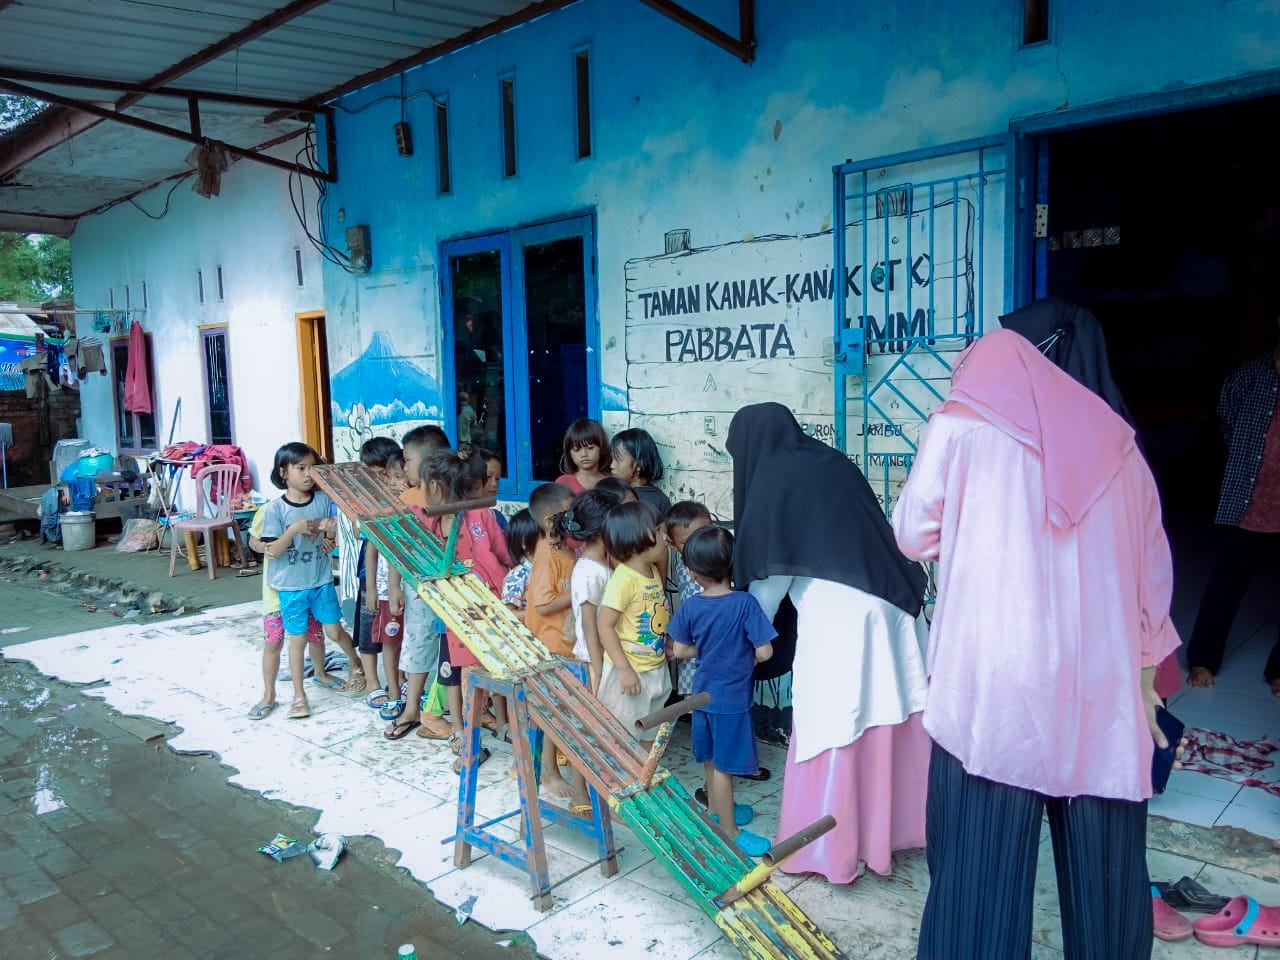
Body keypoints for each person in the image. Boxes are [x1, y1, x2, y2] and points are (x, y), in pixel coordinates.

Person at [891, 330, 1178, 960]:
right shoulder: (1121, 448)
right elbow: (1153, 582)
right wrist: (1145, 684)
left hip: (994, 692)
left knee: (977, 883)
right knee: (1107, 888)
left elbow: (913, 534)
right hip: (1099, 692)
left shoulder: (960, 425)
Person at [727, 402, 930, 884]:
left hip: (839, 616)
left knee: (834, 724)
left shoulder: (772, 481)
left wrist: (744, 639)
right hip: (892, 603)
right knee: (886, 717)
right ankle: (888, 836)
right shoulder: (832, 462)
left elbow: (769, 580)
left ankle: (828, 851)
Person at [669, 524, 776, 857]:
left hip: (702, 696)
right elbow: (766, 652)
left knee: (713, 761)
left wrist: (706, 647)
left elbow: (680, 650)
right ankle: (729, 830)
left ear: (693, 572)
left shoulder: (690, 606)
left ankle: (717, 810)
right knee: (725, 767)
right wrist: (745, 653)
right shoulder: (745, 603)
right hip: (731, 700)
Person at [1187, 319, 1280, 696]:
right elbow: (1226, 418)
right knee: (1224, 586)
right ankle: (1203, 660)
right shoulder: (1248, 378)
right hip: (1249, 502)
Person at [411, 448, 510, 773]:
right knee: (469, 681)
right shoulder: (430, 519)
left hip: (492, 606)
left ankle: (510, 730)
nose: (422, 489)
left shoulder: (480, 513)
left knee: (503, 670)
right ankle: (471, 743)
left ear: (438, 486)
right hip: (457, 613)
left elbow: (503, 553)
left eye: (425, 483)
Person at [258, 442, 363, 720]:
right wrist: (293, 530)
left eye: (312, 468)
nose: (308, 474)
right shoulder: (275, 510)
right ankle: (298, 696)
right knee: (298, 640)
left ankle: (357, 664)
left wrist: (330, 535)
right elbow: (273, 551)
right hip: (291, 588)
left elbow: (333, 535)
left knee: (334, 632)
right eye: (300, 468)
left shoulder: (323, 500)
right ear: (283, 473)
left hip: (321, 581)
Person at [387, 425, 452, 741]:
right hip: (417, 584)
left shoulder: (453, 496)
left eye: (408, 459)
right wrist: (395, 585)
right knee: (418, 641)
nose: (404, 466)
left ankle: (447, 705)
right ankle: (412, 706)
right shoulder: (407, 499)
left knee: (452, 645)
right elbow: (396, 547)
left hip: (452, 583)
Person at [597, 500, 673, 747]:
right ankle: (620, 783)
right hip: (630, 676)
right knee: (622, 739)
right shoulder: (624, 579)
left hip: (654, 668)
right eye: (659, 532)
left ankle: (643, 780)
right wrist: (623, 669)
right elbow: (604, 625)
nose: (666, 537)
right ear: (638, 538)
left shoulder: (650, 571)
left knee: (650, 733)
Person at [244, 502, 327, 721]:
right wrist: (269, 548)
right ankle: (269, 694)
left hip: (306, 584)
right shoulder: (272, 509)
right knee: (273, 641)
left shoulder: (319, 504)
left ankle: (321, 673)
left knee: (315, 633)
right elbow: (253, 540)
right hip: (276, 591)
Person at [524, 481, 578, 799]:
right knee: (552, 712)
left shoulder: (565, 548)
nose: (573, 518)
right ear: (550, 521)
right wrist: (580, 589)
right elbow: (544, 603)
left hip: (567, 644)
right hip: (551, 646)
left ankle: (555, 764)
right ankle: (548, 771)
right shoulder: (547, 553)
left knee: (562, 710)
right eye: (568, 513)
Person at [355, 437, 406, 711]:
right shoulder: (372, 504)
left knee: (395, 631)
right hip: (374, 577)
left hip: (397, 580)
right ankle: (373, 683)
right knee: (369, 630)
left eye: (384, 474)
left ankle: (397, 680)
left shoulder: (406, 500)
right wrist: (372, 587)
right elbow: (362, 537)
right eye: (373, 474)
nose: (382, 479)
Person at [559, 489, 618, 693]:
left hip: (602, 656)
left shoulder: (599, 566)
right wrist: (599, 670)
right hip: (594, 659)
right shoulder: (590, 571)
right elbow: (588, 623)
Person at [664, 501, 712, 695]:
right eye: (686, 542)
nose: (696, 546)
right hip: (690, 650)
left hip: (716, 646)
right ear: (672, 544)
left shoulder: (723, 565)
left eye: (702, 536)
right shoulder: (683, 566)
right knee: (694, 703)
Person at [611, 428, 671, 515]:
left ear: (639, 465)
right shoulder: (661, 499)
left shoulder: (626, 498)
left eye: (618, 460)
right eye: (612, 459)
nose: (612, 465)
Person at [556, 418, 611, 494]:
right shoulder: (563, 483)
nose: (584, 454)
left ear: (601, 448)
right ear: (569, 453)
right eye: (577, 450)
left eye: (590, 448)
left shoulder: (612, 481)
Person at [500, 509, 539, 617]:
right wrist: (540, 615)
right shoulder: (518, 575)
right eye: (543, 537)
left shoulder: (550, 566)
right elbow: (508, 614)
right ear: (524, 543)